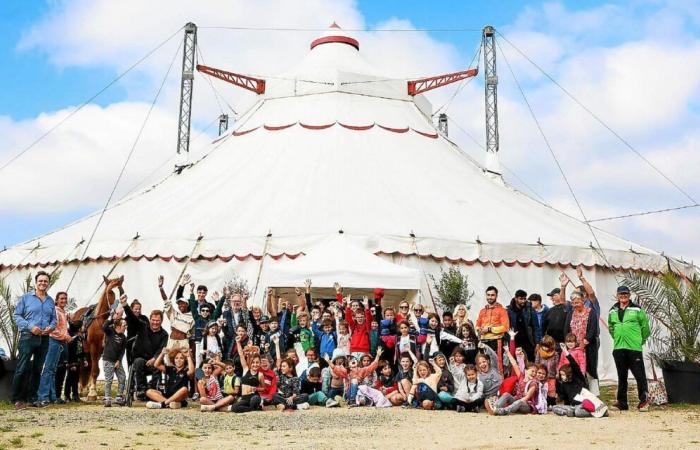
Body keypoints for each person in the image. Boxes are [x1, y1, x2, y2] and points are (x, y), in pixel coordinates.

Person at [12, 271, 56, 410]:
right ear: (35, 283)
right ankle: (18, 399)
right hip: (28, 337)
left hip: (44, 339)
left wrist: (51, 327)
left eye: (45, 281)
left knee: (37, 369)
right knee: (22, 368)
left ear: (48, 283)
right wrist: (30, 327)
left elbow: (54, 319)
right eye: (40, 281)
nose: (43, 283)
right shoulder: (26, 298)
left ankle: (32, 398)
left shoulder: (50, 301)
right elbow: (17, 315)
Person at [608, 285, 650, 412]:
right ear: (617, 295)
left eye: (625, 294)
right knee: (622, 376)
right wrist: (617, 338)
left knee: (639, 375)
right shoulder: (613, 310)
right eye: (621, 294)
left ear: (629, 295)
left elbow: (645, 327)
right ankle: (622, 402)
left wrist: (639, 341)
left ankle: (644, 401)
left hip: (634, 347)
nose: (623, 296)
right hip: (619, 347)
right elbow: (611, 327)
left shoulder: (637, 309)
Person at [120, 295, 168, 399]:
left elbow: (161, 349)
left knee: (159, 364)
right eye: (153, 320)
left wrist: (155, 358)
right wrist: (125, 305)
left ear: (161, 321)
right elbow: (132, 318)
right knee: (138, 362)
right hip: (140, 359)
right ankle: (142, 389)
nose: (155, 322)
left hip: (154, 361)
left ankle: (154, 388)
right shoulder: (142, 326)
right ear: (150, 319)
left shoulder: (164, 334)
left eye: (157, 320)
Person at [36, 291, 73, 407]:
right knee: (48, 369)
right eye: (61, 298)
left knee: (53, 370)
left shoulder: (63, 312)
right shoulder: (56, 311)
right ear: (56, 300)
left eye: (65, 299)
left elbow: (62, 329)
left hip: (60, 342)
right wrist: (65, 336)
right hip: (54, 341)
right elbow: (53, 329)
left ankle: (52, 397)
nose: (63, 301)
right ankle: (42, 397)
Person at [564, 289, 599, 393]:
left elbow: (593, 329)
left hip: (588, 346)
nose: (575, 305)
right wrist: (569, 343)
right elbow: (566, 329)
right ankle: (577, 391)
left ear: (583, 300)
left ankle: (594, 393)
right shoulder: (571, 313)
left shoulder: (591, 312)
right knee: (575, 369)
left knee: (590, 370)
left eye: (578, 302)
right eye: (573, 303)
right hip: (573, 347)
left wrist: (585, 342)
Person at [159, 276, 194, 353]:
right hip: (172, 341)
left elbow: (193, 334)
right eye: (179, 304)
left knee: (184, 363)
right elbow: (166, 300)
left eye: (182, 303)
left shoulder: (192, 316)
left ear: (187, 305)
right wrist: (161, 287)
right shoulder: (174, 313)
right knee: (169, 363)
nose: (180, 305)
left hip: (183, 342)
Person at [101, 309, 128, 407]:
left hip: (116, 361)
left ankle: (119, 397)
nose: (125, 327)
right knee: (109, 379)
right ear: (118, 326)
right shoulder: (110, 332)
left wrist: (119, 361)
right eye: (124, 325)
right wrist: (111, 318)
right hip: (108, 360)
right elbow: (104, 327)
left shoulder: (124, 338)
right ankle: (107, 398)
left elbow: (122, 351)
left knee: (122, 377)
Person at [229, 338, 264, 413]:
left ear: (260, 363)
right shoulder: (246, 369)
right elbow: (241, 355)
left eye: (257, 362)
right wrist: (238, 342)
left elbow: (264, 388)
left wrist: (257, 389)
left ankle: (253, 407)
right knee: (234, 408)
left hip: (254, 397)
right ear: (250, 363)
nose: (255, 364)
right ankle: (253, 409)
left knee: (255, 399)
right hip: (244, 398)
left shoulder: (260, 375)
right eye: (253, 362)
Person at [475, 286, 510, 355]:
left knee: (497, 363)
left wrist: (489, 329)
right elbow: (477, 325)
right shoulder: (482, 311)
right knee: (484, 363)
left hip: (496, 341)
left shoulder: (502, 310)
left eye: (492, 295)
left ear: (496, 296)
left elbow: (506, 327)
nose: (490, 297)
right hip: (483, 341)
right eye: (488, 295)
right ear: (486, 295)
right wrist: (479, 329)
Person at [507, 290, 536, 361]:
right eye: (521, 299)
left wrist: (537, 342)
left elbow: (535, 326)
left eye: (524, 298)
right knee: (517, 362)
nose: (523, 301)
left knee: (530, 361)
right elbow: (507, 328)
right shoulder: (509, 311)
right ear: (515, 298)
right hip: (515, 341)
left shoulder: (529, 309)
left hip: (528, 341)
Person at [543, 275, 570, 345]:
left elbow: (563, 301)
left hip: (564, 342)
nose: (551, 298)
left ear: (559, 295)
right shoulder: (549, 311)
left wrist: (563, 287)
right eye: (551, 296)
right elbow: (544, 327)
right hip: (551, 343)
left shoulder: (567, 307)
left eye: (553, 295)